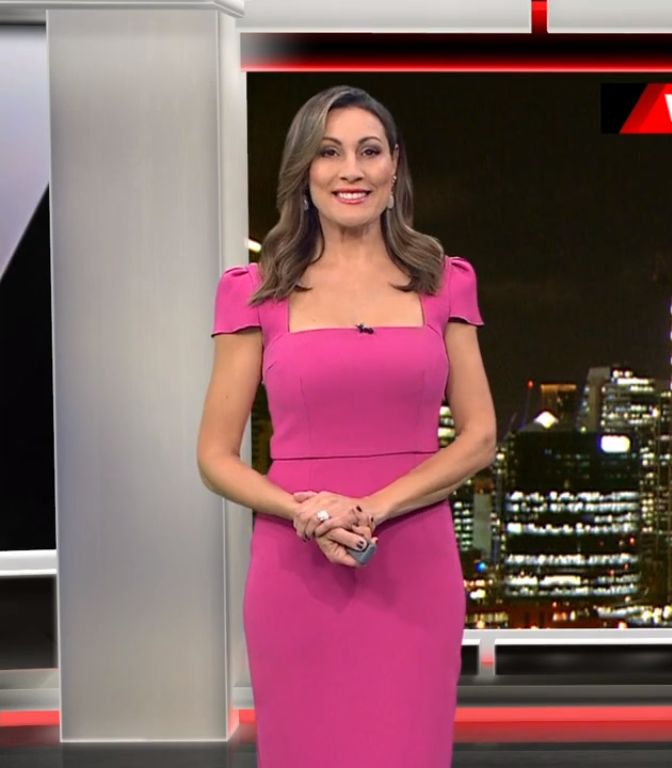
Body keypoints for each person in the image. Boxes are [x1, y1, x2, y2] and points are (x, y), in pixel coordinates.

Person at [196, 85, 497, 767]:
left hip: (413, 561)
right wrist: (308, 515)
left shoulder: (443, 282)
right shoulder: (255, 289)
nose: (350, 171)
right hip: (295, 563)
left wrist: (371, 508)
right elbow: (214, 454)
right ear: (304, 172)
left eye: (369, 151)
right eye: (328, 153)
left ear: (395, 167)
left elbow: (479, 435)